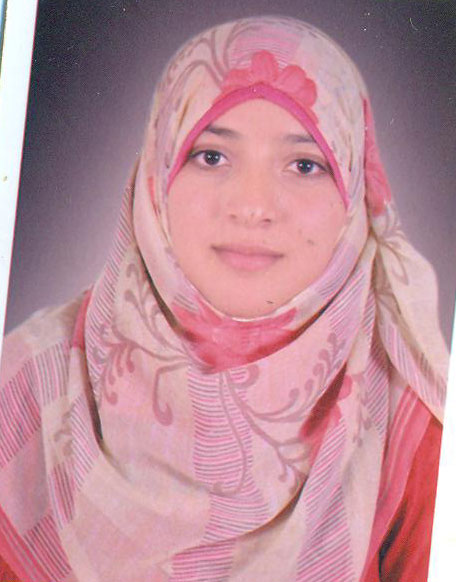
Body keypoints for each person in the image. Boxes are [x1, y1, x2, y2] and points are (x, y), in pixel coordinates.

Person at [0, 16, 448, 582]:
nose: (253, 206)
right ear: (156, 176)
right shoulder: (26, 387)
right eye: (212, 156)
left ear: (355, 196)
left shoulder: (415, 427)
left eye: (304, 165)